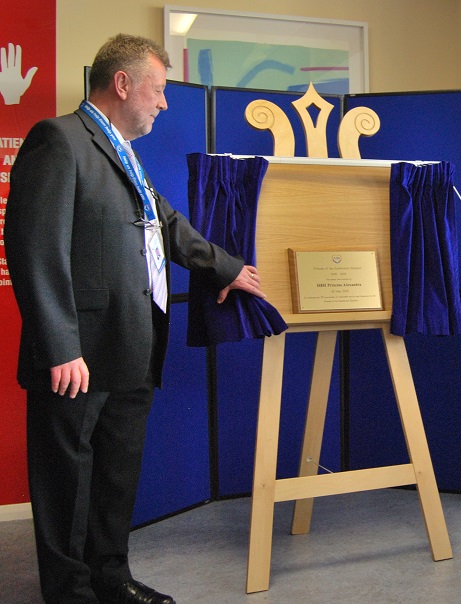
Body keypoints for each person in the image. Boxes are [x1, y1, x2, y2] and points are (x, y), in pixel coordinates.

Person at [5, 34, 265, 604]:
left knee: (117, 475)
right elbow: (34, 248)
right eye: (159, 89)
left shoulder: (122, 151)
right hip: (77, 354)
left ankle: (110, 576)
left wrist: (224, 268)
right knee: (66, 482)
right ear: (122, 84)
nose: (165, 103)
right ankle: (69, 592)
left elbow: (166, 224)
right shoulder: (60, 140)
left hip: (131, 344)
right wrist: (58, 345)